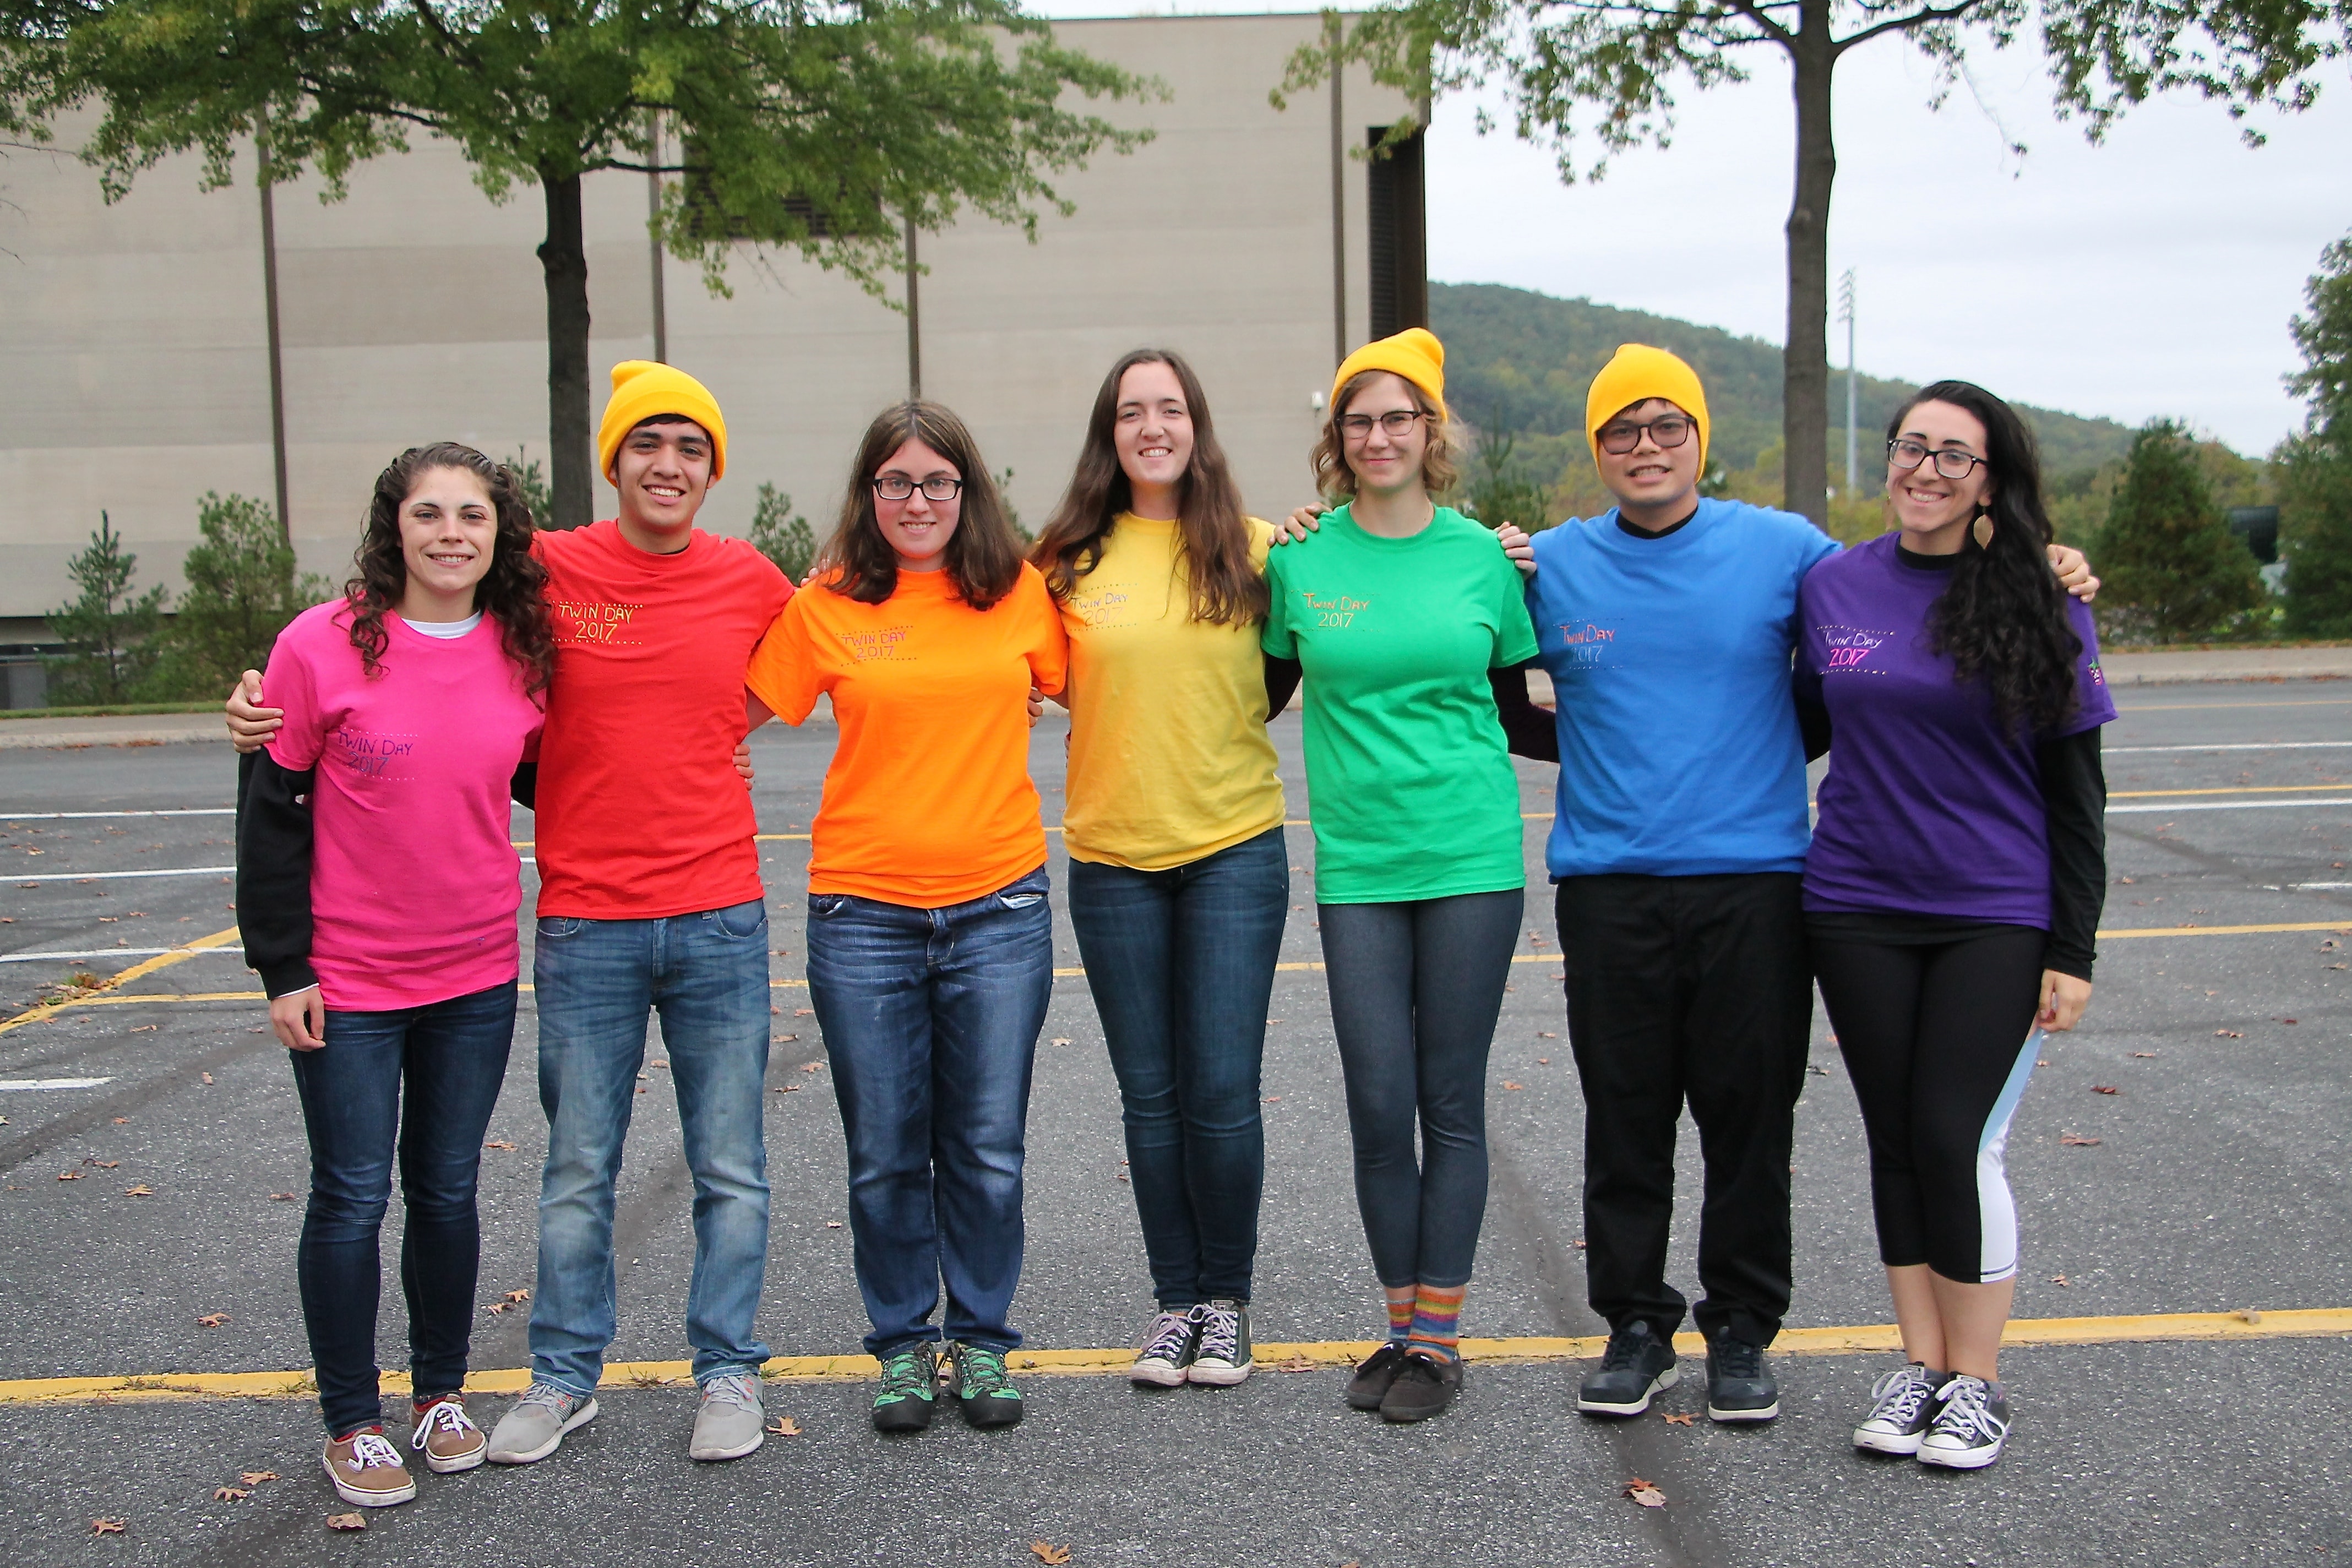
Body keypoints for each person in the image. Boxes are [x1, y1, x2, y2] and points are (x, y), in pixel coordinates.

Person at [1494, 345, 2100, 1428]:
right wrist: (1594, 743)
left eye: (1667, 425)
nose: (1645, 446)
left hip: (1759, 879)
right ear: (1597, 448)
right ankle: (1636, 1324)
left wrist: (2043, 559)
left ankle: (1741, 1327)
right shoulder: (1551, 564)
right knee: (1624, 1118)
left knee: (1750, 1118)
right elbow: (1501, 694)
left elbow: (1859, 655)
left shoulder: (1792, 555)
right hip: (1609, 881)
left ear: (1699, 439)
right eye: (1622, 429)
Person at [228, 362, 792, 1466]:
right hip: (579, 923)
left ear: (713, 468)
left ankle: (724, 1370)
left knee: (725, 1166)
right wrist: (257, 710)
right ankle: (556, 1378)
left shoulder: (737, 582)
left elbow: (846, 635)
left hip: (709, 914)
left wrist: (721, 732)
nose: (668, 465)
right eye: (646, 444)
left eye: (690, 447)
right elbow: (347, 719)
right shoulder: (544, 573)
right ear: (614, 461)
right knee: (570, 1168)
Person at [1799, 382, 2110, 1470]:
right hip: (1854, 903)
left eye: (1954, 455)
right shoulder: (1833, 584)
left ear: (1990, 482)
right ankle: (1921, 1367)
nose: (1925, 469)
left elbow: (2078, 794)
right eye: (1911, 446)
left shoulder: (2041, 594)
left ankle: (1979, 1382)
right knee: (1895, 1139)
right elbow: (1795, 719)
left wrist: (2074, 949)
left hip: (1994, 911)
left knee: (1957, 1136)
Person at [743, 401, 1068, 1434]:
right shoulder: (829, 602)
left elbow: (1111, 682)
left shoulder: (1019, 593)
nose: (917, 500)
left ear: (967, 490)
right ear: (869, 492)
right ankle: (901, 1347)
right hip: (863, 912)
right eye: (896, 482)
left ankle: (981, 1338)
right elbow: (721, 711)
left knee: (987, 1145)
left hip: (999, 905)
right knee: (885, 1150)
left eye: (936, 481)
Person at [236, 443, 551, 1506]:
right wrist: (283, 967)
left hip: (474, 973)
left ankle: (440, 1397)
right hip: (350, 980)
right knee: (351, 1195)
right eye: (429, 514)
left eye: (472, 514)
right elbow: (270, 812)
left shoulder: (523, 648)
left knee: (447, 1189)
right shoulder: (318, 645)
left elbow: (556, 774)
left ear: (500, 533)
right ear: (395, 528)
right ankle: (352, 1421)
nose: (451, 533)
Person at [1262, 328, 1538, 1424]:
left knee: (1448, 1098)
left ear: (1431, 432)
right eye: (1359, 420)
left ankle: (1438, 1339)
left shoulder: (1486, 559)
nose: (1379, 437)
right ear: (1338, 438)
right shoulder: (1299, 560)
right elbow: (1243, 696)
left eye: (1398, 418)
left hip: (1471, 855)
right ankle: (1398, 1325)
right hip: (1361, 867)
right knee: (1379, 1101)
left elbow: (1525, 708)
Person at [1027, 350, 1289, 1389]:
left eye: (1169, 409)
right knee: (1150, 1096)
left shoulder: (1258, 548)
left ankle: (1227, 1304)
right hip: (1113, 858)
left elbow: (1355, 595)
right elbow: (963, 614)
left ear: (1196, 425)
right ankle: (1174, 1302)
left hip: (1233, 849)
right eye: (1132, 411)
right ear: (1111, 432)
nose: (1152, 427)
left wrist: (1499, 548)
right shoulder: (1062, 561)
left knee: (1220, 1090)